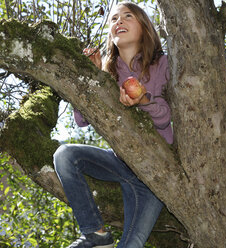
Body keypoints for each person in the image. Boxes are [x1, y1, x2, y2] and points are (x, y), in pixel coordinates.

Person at [53, 2, 172, 248]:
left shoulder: (162, 64)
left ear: (145, 27)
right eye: (114, 19)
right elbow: (81, 120)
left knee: (131, 244)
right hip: (119, 162)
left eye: (128, 16)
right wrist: (91, 79)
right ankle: (95, 234)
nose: (119, 21)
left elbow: (165, 117)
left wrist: (143, 100)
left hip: (155, 171)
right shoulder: (107, 71)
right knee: (65, 155)